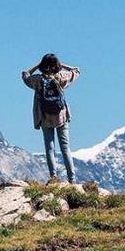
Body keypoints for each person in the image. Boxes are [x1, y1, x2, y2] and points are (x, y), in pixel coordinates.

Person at [22, 53, 80, 184]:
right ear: (56, 66)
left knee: (49, 148)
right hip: (61, 116)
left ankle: (53, 178)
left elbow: (25, 75)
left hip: (44, 116)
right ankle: (72, 180)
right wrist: (61, 65)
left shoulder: (37, 80)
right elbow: (76, 70)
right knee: (65, 148)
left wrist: (38, 66)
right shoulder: (60, 77)